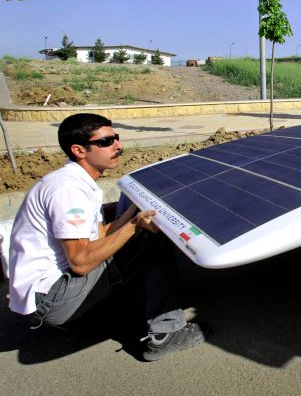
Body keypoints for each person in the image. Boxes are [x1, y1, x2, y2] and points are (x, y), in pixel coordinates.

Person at [8, 113, 205, 361]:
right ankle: (167, 334)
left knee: (135, 237)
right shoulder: (68, 191)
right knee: (152, 240)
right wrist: (134, 225)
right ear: (79, 150)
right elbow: (81, 262)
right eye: (106, 142)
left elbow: (100, 236)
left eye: (116, 138)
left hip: (51, 295)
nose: (118, 146)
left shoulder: (75, 181)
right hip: (54, 299)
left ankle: (104, 313)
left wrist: (135, 208)